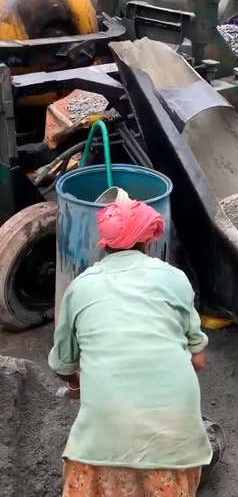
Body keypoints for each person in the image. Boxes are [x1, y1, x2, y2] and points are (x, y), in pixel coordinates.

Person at [49, 199, 212, 497]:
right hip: (174, 440)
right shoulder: (175, 279)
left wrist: (77, 386)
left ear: (104, 244)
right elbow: (198, 360)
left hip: (102, 441)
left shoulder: (80, 287)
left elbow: (62, 364)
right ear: (148, 241)